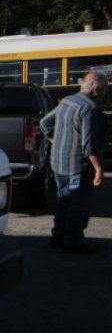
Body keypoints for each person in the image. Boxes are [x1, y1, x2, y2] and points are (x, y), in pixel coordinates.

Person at [40, 71, 108, 254]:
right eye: (104, 90)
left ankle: (57, 237)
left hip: (58, 162)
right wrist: (98, 168)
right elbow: (88, 145)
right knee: (77, 205)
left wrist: (56, 140)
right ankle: (73, 242)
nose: (104, 93)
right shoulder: (89, 108)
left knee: (63, 200)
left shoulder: (66, 101)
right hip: (77, 165)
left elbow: (45, 123)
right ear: (96, 89)